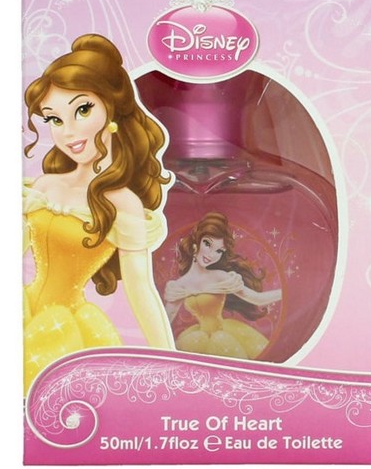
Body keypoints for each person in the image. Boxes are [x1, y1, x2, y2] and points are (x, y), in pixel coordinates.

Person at [23, 34, 174, 394]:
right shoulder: (44, 185)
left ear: (112, 109)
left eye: (82, 110)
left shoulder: (122, 203)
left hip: (65, 332)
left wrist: (172, 365)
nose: (68, 132)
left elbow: (141, 290)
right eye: (54, 119)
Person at [164, 212, 282, 360]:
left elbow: (257, 298)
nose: (211, 254)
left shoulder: (220, 277)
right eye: (207, 244)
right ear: (195, 244)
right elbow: (164, 320)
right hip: (196, 340)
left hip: (225, 335)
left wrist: (286, 294)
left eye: (219, 251)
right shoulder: (179, 286)